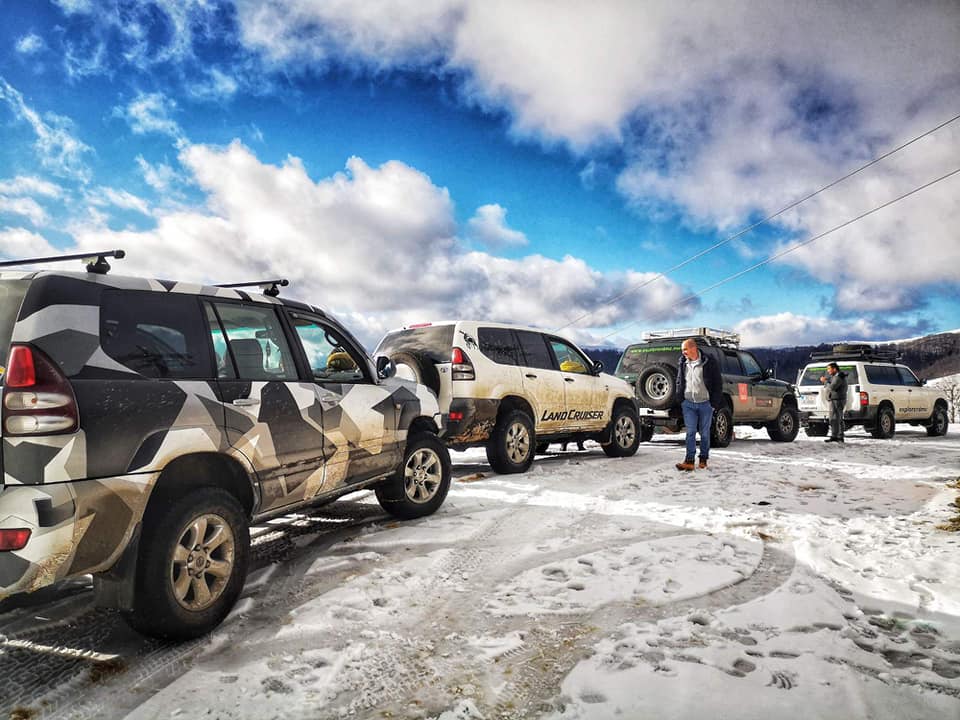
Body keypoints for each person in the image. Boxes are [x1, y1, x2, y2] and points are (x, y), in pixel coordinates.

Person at [674, 338, 724, 470]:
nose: (683, 352)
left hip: (705, 404)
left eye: (685, 349)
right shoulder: (682, 362)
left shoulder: (709, 362)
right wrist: (681, 399)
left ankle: (703, 459)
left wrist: (713, 403)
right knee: (690, 432)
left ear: (693, 348)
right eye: (682, 350)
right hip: (688, 403)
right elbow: (679, 380)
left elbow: (718, 384)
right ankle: (689, 461)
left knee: (704, 433)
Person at [820, 362, 848, 443]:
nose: (828, 371)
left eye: (829, 369)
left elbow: (832, 387)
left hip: (838, 400)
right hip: (834, 399)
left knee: (838, 418)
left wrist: (825, 381)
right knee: (833, 419)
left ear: (834, 369)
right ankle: (834, 435)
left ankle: (839, 436)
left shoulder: (838, 377)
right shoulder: (834, 377)